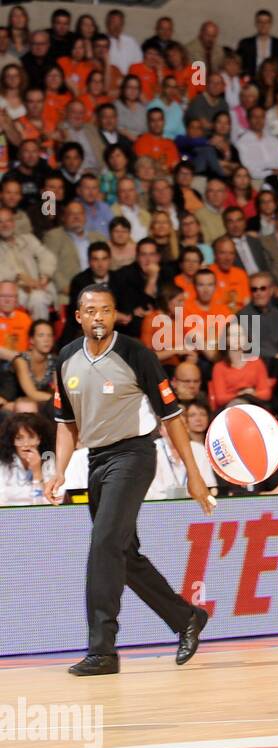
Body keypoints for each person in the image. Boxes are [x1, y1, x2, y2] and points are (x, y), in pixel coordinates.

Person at [44, 284, 213, 675]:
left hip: (135, 455)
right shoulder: (67, 358)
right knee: (122, 555)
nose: (98, 317)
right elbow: (66, 424)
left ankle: (102, 650)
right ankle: (186, 617)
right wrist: (59, 472)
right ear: (79, 316)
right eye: (91, 311)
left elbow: (171, 417)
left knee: (103, 545)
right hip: (96, 460)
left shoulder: (137, 354)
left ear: (115, 314)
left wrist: (194, 474)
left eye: (106, 310)